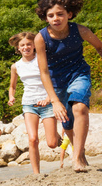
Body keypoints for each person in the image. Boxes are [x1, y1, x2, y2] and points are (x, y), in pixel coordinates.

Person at [33, 0, 102, 172]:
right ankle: (80, 153)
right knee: (67, 122)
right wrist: (54, 100)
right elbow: (43, 71)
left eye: (60, 14)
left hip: (79, 74)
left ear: (69, 14)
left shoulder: (80, 30)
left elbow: (101, 47)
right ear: (45, 18)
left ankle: (76, 159)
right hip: (57, 82)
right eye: (51, 15)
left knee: (80, 108)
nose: (56, 18)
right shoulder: (41, 38)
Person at [7, 31, 62, 174]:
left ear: (34, 46)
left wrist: (49, 98)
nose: (26, 47)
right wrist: (11, 97)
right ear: (18, 48)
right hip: (29, 104)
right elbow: (12, 86)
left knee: (52, 144)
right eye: (22, 45)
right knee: (32, 139)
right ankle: (36, 173)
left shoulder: (42, 59)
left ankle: (56, 135)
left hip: (47, 102)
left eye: (29, 44)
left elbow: (54, 80)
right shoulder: (16, 66)